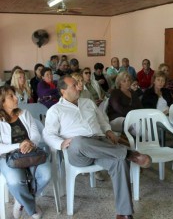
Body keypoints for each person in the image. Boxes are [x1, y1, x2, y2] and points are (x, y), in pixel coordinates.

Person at [43, 75, 152, 219]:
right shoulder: (55, 110)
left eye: (78, 84)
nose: (78, 87)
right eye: (74, 86)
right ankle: (128, 153)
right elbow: (48, 134)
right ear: (63, 91)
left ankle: (124, 213)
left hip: (100, 145)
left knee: (119, 161)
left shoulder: (88, 102)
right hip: (78, 152)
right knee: (79, 141)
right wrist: (61, 143)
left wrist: (107, 130)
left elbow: (103, 120)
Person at [0, 85, 51, 219]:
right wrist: (18, 145)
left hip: (31, 152)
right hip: (7, 157)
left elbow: (35, 135)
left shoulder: (24, 113)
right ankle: (32, 208)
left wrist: (30, 143)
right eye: (11, 96)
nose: (16, 98)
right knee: (16, 181)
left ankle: (21, 199)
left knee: (46, 174)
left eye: (15, 94)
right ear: (2, 101)